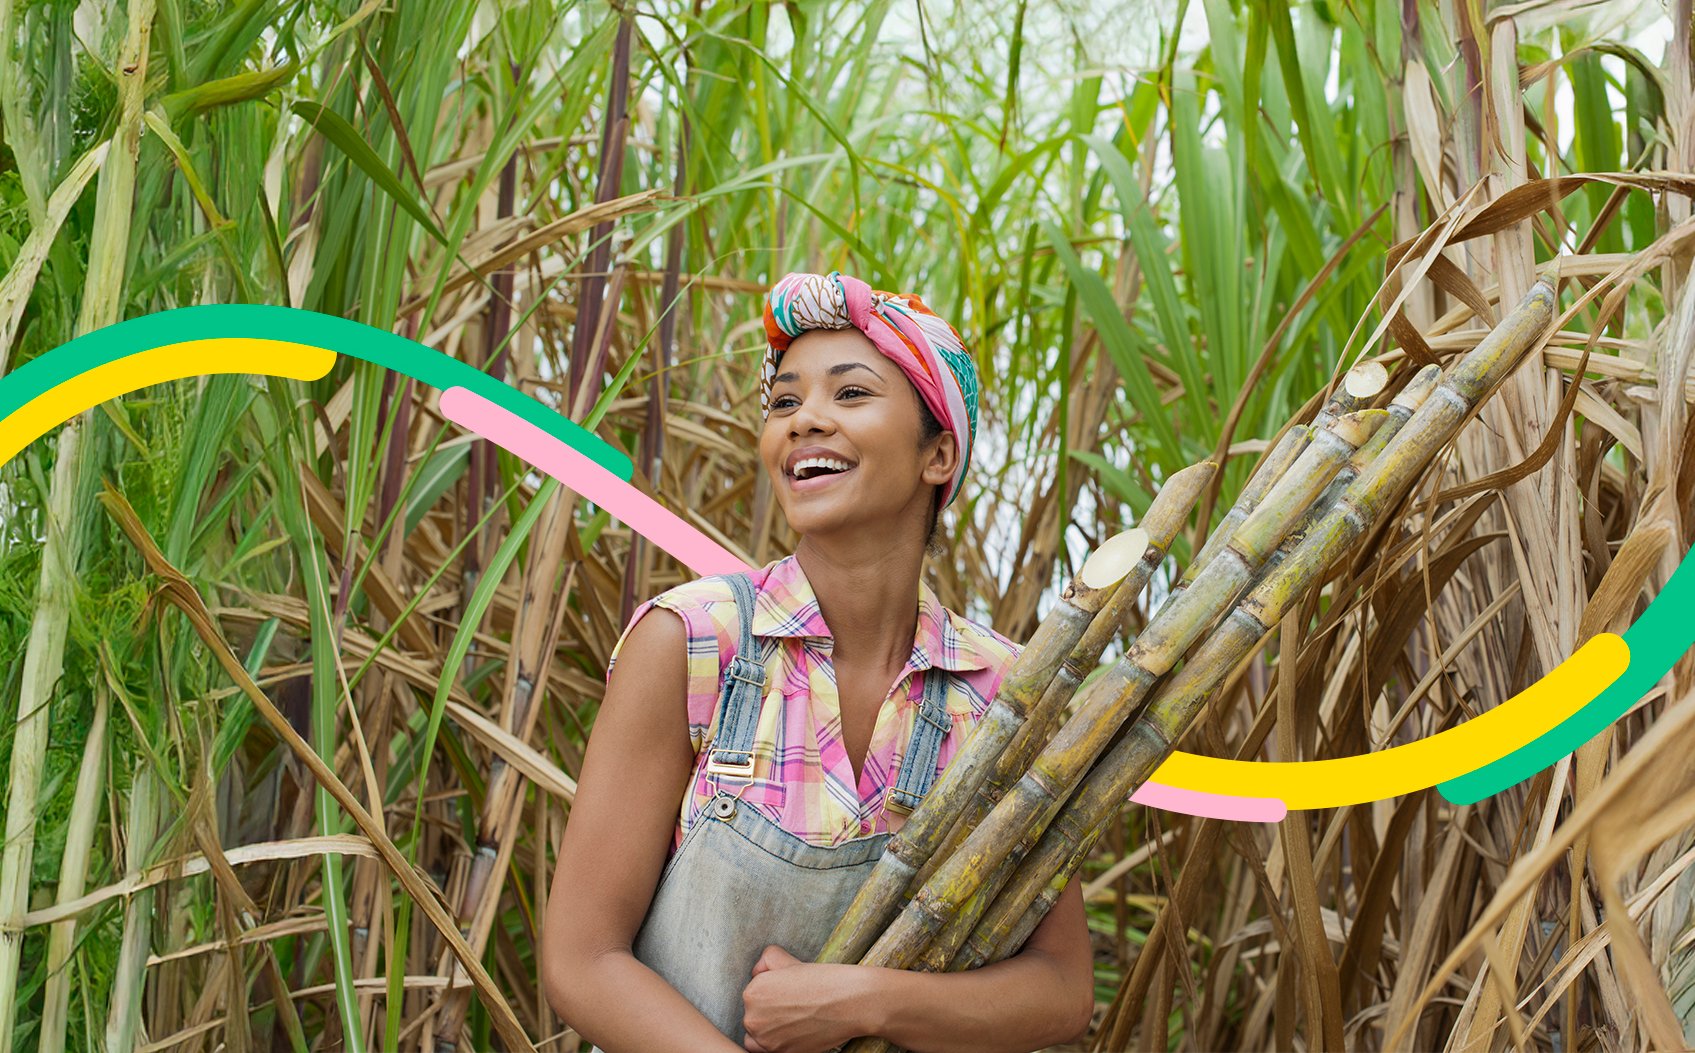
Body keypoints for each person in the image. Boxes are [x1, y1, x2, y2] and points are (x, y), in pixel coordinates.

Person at [541, 271, 1094, 1053]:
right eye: (784, 402)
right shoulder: (695, 642)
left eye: (850, 393)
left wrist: (866, 1000)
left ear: (939, 454)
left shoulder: (1001, 690)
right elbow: (582, 958)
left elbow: (1062, 988)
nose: (805, 422)